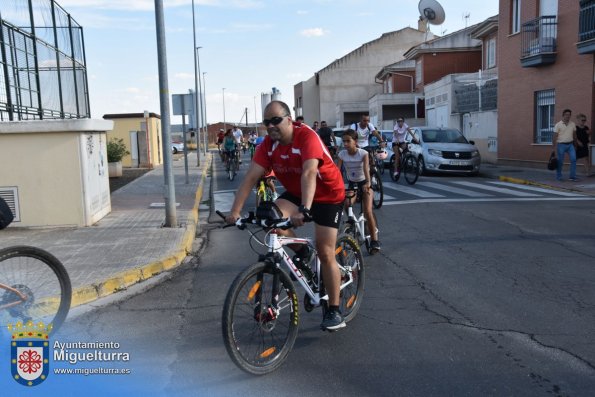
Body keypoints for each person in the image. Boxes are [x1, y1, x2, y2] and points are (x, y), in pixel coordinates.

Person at [225, 100, 347, 331]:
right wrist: (235, 213)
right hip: (298, 193)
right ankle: (302, 251)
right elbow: (251, 177)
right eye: (266, 122)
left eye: (276, 120)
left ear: (289, 120)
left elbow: (310, 172)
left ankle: (334, 310)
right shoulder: (268, 146)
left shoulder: (306, 137)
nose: (270, 126)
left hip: (328, 195)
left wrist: (305, 209)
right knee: (270, 217)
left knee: (326, 251)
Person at [336, 129, 381, 253]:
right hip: (352, 184)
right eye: (343, 141)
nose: (345, 144)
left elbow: (366, 169)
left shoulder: (363, 153)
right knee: (347, 204)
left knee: (367, 210)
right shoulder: (342, 154)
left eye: (348, 141)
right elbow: (337, 172)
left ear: (355, 141)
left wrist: (368, 183)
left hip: (364, 183)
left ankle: (374, 240)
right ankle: (353, 226)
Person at [553, 109, 579, 181]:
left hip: (570, 145)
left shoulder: (572, 124)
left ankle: (572, 176)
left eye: (569, 115)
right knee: (560, 161)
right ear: (563, 115)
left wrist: (575, 145)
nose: (568, 116)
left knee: (573, 159)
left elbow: (574, 135)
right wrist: (553, 147)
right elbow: (555, 136)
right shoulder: (558, 125)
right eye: (566, 114)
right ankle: (559, 176)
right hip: (561, 145)